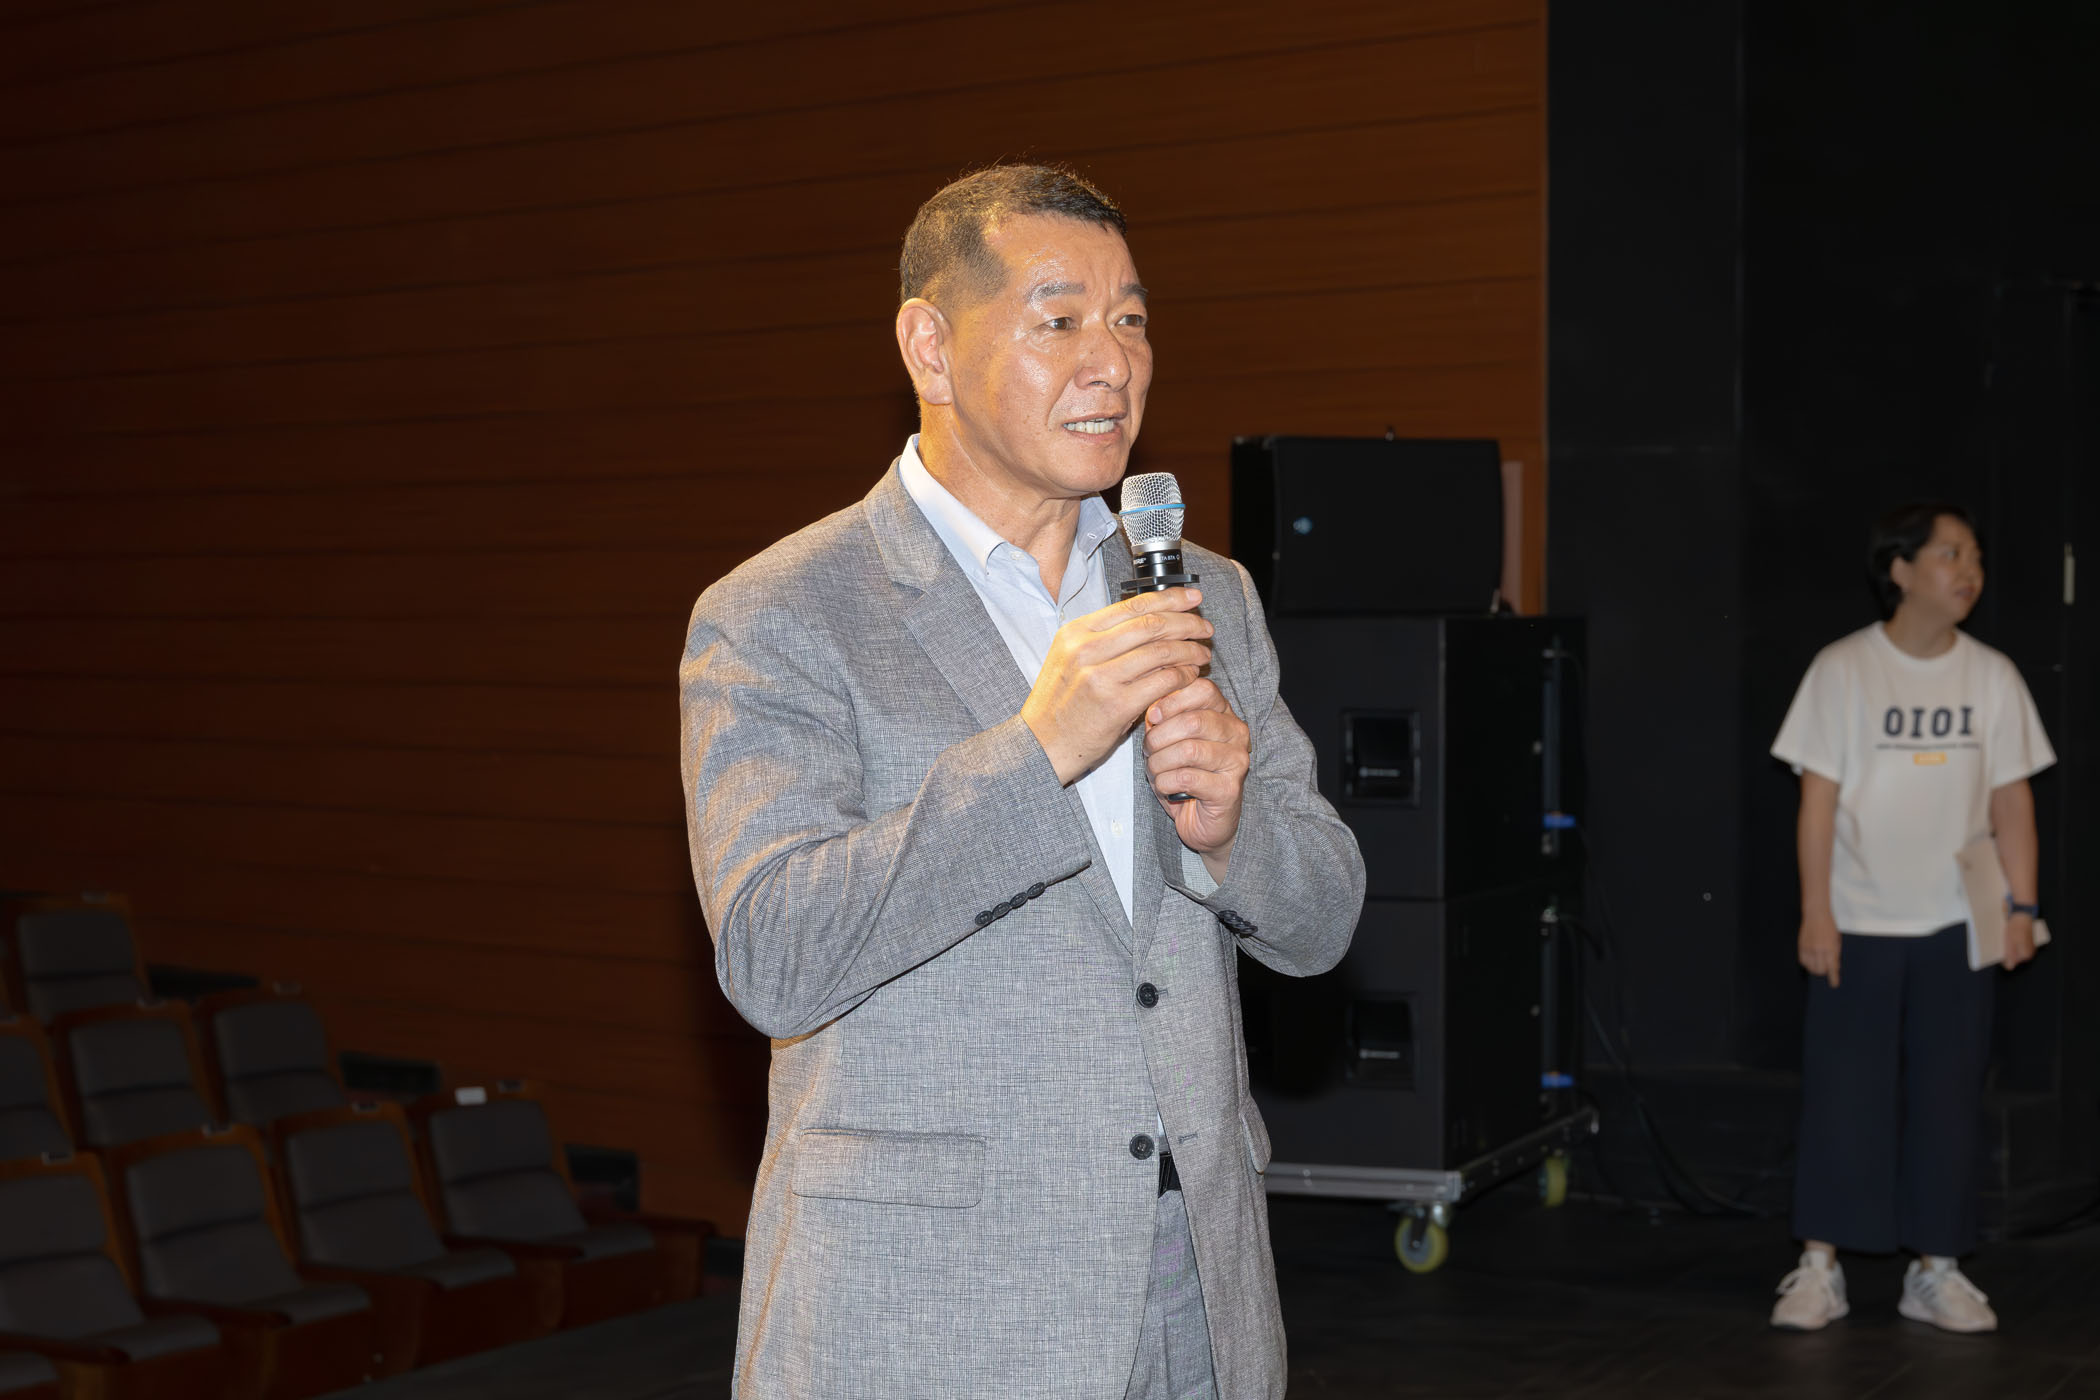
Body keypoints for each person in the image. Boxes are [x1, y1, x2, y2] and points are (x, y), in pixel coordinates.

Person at [679, 164, 1365, 1399]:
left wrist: (1233, 831)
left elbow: (1324, 917)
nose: (1113, 362)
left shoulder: (1204, 591)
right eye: (1060, 320)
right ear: (930, 347)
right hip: (932, 1309)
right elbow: (774, 952)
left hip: (1193, 1289)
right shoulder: (786, 609)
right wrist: (1037, 750)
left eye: (1132, 319)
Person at [1766, 502, 2054, 1334]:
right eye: (1950, 554)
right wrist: (1816, 912)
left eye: (1976, 558)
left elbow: (2013, 802)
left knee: (1948, 1098)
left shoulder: (1993, 676)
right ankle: (1820, 1267)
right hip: (1857, 921)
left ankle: (1936, 1269)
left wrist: (2023, 908)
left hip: (1956, 925)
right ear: (1899, 569)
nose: (1970, 572)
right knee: (1842, 1096)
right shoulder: (1843, 668)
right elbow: (1816, 804)